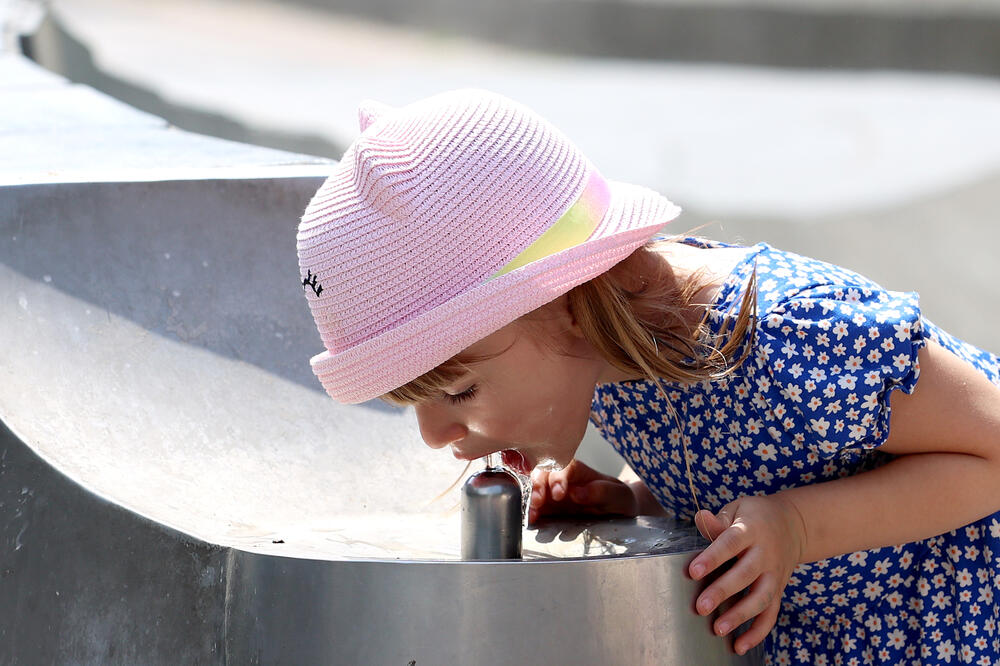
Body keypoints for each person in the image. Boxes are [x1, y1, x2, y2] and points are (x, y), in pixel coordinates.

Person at [296, 87, 1000, 664]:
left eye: (458, 391)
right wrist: (635, 500)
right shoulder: (604, 359)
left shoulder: (795, 338)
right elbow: (751, 461)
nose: (435, 436)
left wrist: (796, 530)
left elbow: (991, 447)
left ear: (564, 301)